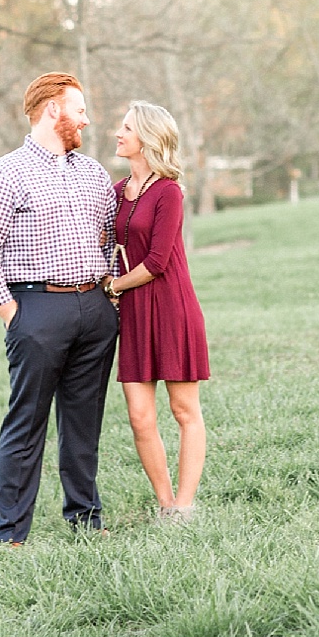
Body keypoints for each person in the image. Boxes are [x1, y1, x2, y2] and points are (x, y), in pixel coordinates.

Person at [0, 72, 118, 546]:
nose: (87, 120)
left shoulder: (93, 173)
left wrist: (106, 297)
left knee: (84, 421)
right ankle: (10, 532)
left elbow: (110, 236)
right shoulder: (4, 175)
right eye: (80, 109)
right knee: (26, 422)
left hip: (94, 309)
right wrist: (11, 313)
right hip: (35, 308)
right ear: (54, 110)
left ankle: (84, 519)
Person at [104, 101, 211, 520]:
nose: (119, 134)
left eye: (126, 128)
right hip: (132, 312)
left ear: (147, 138)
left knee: (184, 411)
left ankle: (184, 507)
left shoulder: (169, 192)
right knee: (139, 416)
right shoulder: (117, 192)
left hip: (171, 307)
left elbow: (157, 262)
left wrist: (112, 285)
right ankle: (165, 504)